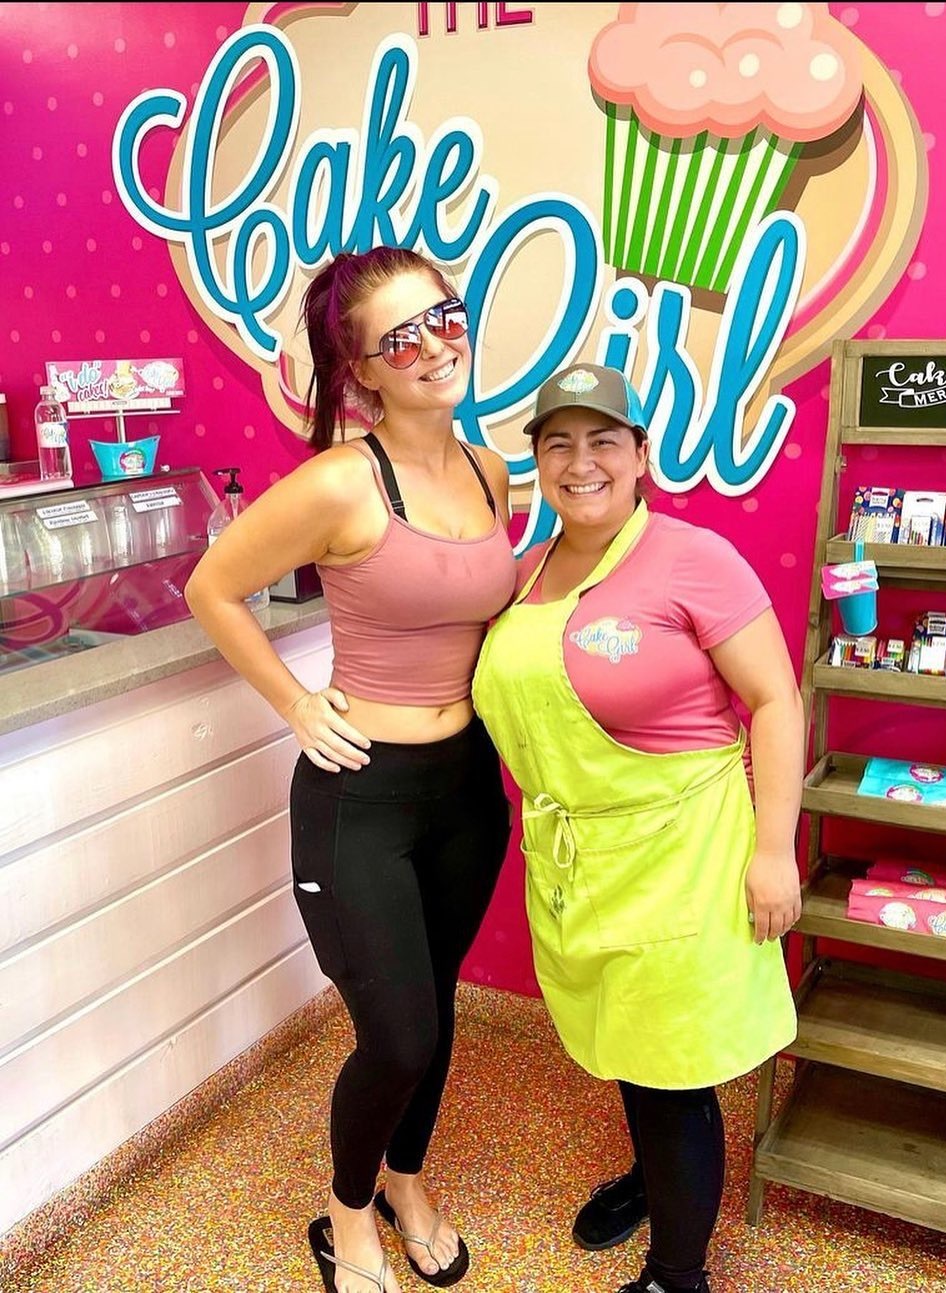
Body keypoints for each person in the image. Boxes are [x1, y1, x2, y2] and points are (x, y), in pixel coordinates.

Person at [184, 247, 517, 1293]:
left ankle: (407, 1180)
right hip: (360, 797)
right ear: (362, 371)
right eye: (400, 339)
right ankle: (346, 1210)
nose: (436, 347)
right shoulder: (338, 481)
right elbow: (211, 587)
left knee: (437, 1006)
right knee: (397, 1034)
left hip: (467, 788)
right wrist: (294, 703)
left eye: (445, 317)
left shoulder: (491, 470)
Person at [471, 362, 803, 1293]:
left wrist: (774, 851)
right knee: (632, 1046)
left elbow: (776, 700)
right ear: (538, 462)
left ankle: (677, 1275)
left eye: (603, 440)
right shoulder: (531, 570)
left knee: (672, 1071)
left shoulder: (695, 559)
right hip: (583, 860)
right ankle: (657, 1183)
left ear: (641, 454)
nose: (581, 462)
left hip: (683, 856)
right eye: (559, 443)